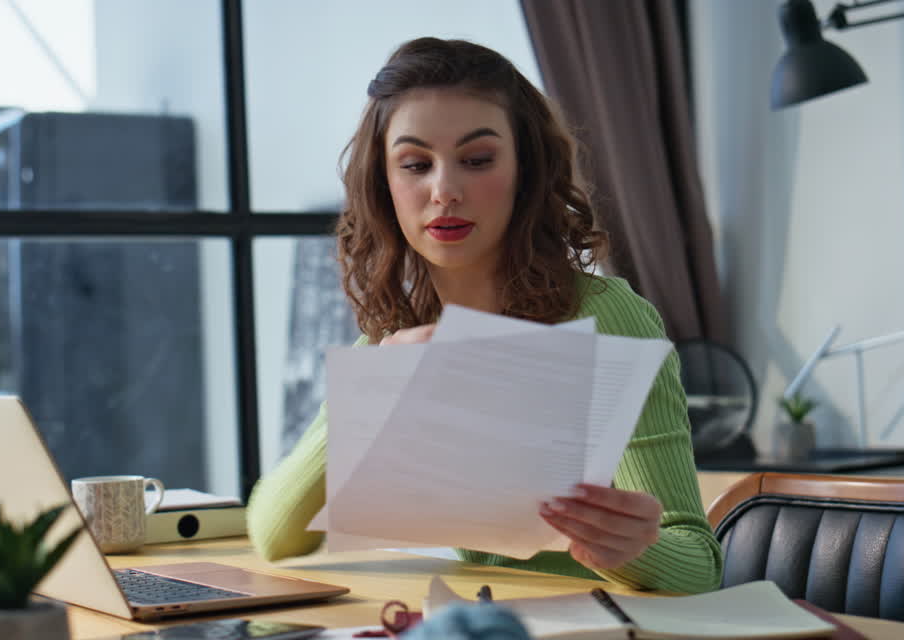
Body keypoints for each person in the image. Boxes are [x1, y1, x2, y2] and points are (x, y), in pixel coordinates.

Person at [246, 37, 722, 594]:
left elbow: (700, 568)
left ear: (526, 171)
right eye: (415, 164)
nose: (445, 191)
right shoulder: (397, 335)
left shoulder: (605, 316)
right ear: (385, 184)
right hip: (477, 633)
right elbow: (274, 535)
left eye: (477, 161)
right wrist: (363, 398)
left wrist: (634, 551)